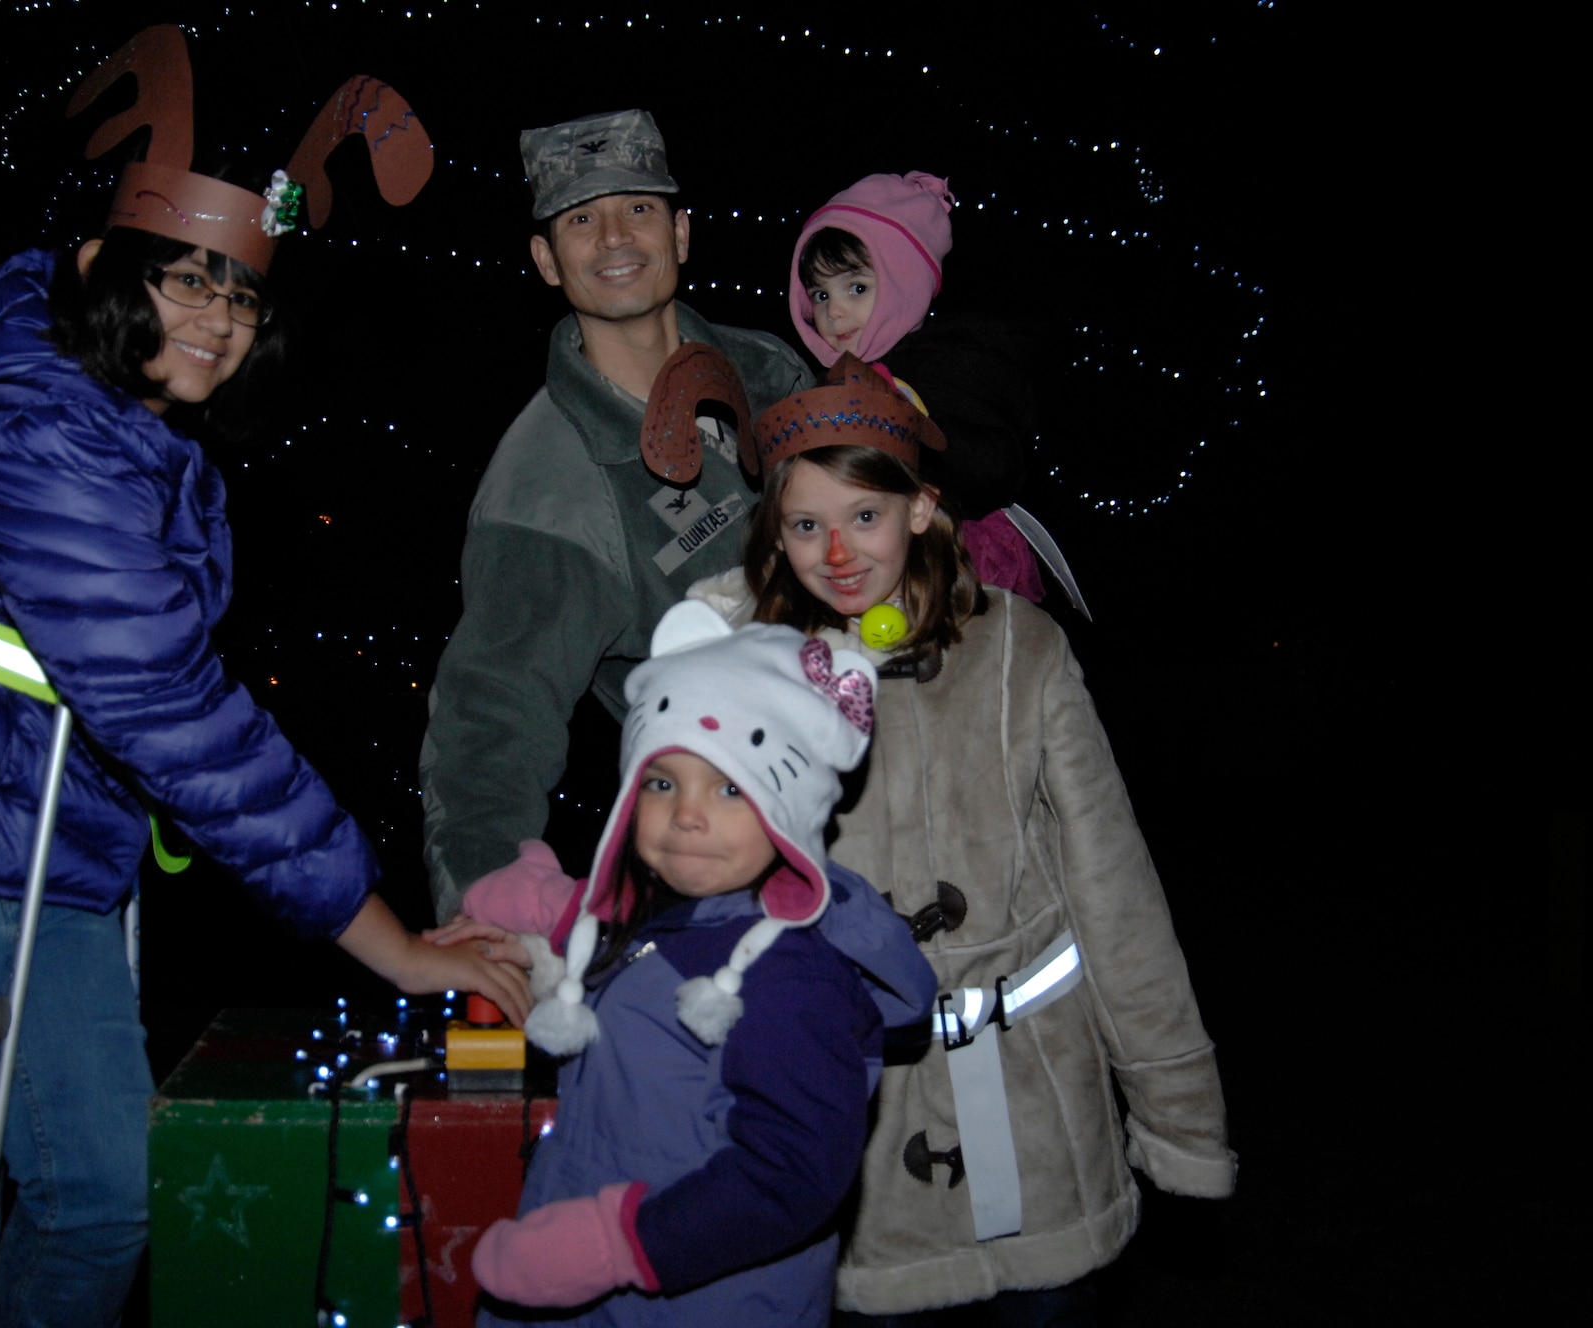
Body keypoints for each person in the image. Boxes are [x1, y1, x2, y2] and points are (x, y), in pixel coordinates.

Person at [0, 29, 524, 1326]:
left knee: (105, 1202)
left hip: (38, 861)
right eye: (181, 281)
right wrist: (398, 947)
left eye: (240, 294)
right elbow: (178, 717)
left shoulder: (126, 427)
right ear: (99, 265)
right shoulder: (50, 437)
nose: (215, 318)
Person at [689, 360, 1234, 1325]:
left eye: (866, 515)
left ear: (925, 508)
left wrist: (1179, 1118)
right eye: (806, 524)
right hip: (852, 1131)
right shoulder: (745, 681)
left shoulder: (1023, 653)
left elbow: (1115, 891)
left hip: (1038, 1117)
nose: (840, 552)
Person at [429, 601, 937, 1325]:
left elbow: (792, 1174)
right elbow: (625, 939)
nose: (687, 815)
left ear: (791, 808)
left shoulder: (791, 982)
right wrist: (540, 945)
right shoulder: (682, 914)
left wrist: (615, 1245)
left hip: (697, 1297)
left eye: (731, 787)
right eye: (662, 783)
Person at [417, 109, 814, 921]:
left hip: (893, 771)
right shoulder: (547, 485)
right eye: (580, 219)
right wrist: (494, 897)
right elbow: (492, 716)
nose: (613, 237)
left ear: (682, 233)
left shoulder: (769, 370)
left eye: (638, 207)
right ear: (545, 259)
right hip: (737, 852)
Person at [788, 171, 1057, 608]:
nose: (834, 312)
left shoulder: (947, 362)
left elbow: (996, 470)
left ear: (903, 283)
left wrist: (915, 423)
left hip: (958, 559)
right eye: (819, 295)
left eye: (856, 288)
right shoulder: (835, 384)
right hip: (874, 562)